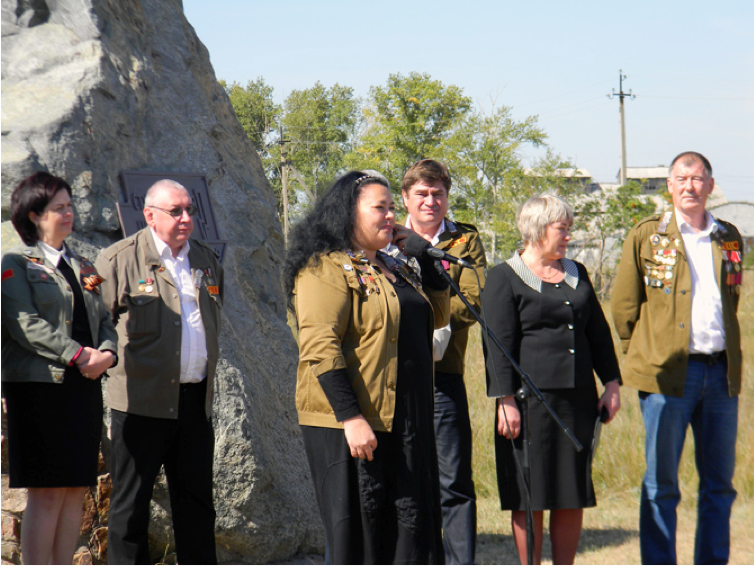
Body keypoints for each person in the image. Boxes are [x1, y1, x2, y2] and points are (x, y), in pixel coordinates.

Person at [283, 170, 450, 564]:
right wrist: (351, 417)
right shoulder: (324, 268)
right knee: (362, 540)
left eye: (392, 207)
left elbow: (439, 315)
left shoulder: (396, 265)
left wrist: (424, 258)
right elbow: (320, 346)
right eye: (380, 208)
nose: (390, 216)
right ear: (348, 214)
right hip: (353, 424)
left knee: (410, 533)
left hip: (405, 420)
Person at [612, 151, 743, 565]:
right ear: (669, 185)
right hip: (667, 376)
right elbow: (624, 306)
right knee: (661, 485)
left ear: (711, 185)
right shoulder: (647, 235)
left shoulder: (729, 237)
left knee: (719, 486)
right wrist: (645, 354)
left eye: (698, 178)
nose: (690, 186)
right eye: (682, 179)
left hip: (720, 376)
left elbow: (732, 301)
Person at [482, 194, 622, 565]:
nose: (568, 237)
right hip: (528, 405)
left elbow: (598, 333)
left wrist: (611, 383)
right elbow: (498, 345)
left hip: (577, 402)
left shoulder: (577, 272)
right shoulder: (504, 277)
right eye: (563, 229)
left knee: (571, 492)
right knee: (529, 494)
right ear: (539, 229)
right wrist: (505, 400)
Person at [95, 179, 224, 564]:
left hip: (194, 402)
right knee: (130, 507)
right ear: (149, 216)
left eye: (190, 210)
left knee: (197, 507)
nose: (186, 218)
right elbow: (97, 322)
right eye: (175, 211)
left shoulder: (205, 259)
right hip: (141, 404)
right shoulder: (119, 260)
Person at [1, 172, 117, 564]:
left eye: (70, 206)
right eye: (58, 208)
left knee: (74, 489)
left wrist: (107, 354)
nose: (68, 214)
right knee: (47, 491)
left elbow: (105, 321)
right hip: (39, 390)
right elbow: (24, 324)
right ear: (34, 215)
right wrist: (80, 355)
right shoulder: (16, 263)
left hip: (82, 387)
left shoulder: (83, 266)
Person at [400, 159, 487, 564]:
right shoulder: (386, 237)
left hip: (442, 374)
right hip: (395, 375)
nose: (430, 201)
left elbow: (472, 301)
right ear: (405, 197)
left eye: (438, 193)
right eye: (421, 193)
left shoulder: (464, 241)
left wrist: (417, 319)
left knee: (453, 482)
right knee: (405, 479)